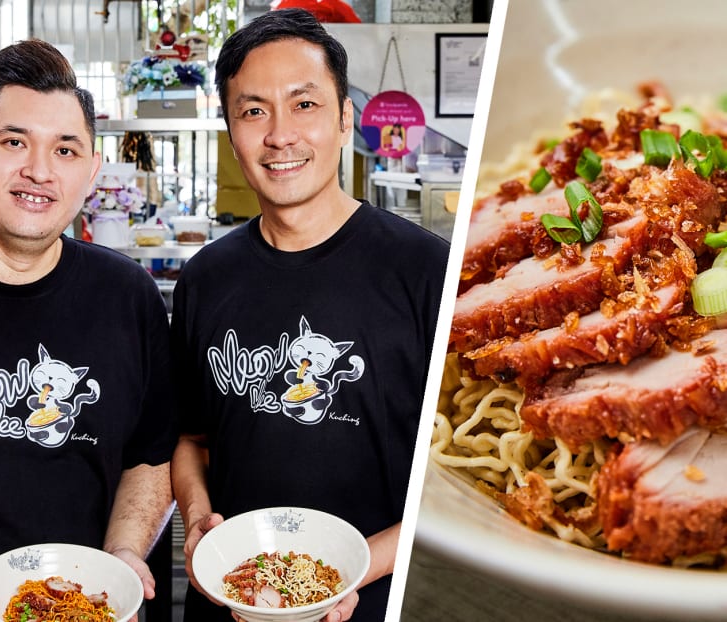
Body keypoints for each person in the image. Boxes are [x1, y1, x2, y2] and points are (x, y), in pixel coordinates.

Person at [170, 8, 449, 621]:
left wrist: (357, 568)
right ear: (231, 130)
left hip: (376, 598)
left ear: (345, 119)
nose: (279, 134)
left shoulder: (428, 272)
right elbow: (189, 441)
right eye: (252, 110)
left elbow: (456, 483)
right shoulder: (204, 280)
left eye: (304, 105)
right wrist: (198, 523)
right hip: (231, 599)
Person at [0, 39, 176, 620]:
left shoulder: (129, 296)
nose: (40, 171)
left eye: (66, 150)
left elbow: (149, 458)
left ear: (92, 170)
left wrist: (124, 549)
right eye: (14, 141)